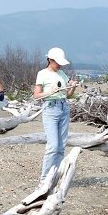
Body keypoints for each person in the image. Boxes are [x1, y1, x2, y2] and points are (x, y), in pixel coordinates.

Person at [33, 47, 78, 182]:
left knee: (61, 145)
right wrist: (50, 92)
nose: (59, 65)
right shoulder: (42, 74)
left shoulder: (62, 74)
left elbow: (67, 95)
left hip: (64, 107)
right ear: (50, 60)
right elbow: (36, 96)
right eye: (57, 62)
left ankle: (55, 176)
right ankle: (44, 179)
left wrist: (72, 87)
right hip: (50, 108)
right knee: (52, 145)